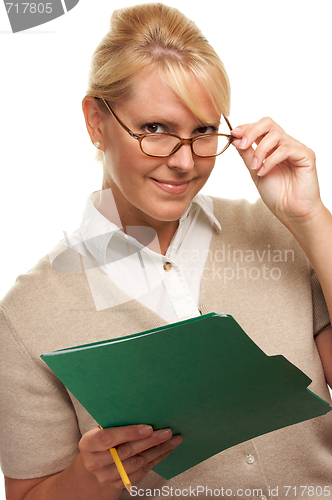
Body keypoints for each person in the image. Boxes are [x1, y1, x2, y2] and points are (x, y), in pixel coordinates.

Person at [1, 3, 332, 499]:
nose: (183, 161)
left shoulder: (278, 233)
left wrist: (311, 220)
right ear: (95, 120)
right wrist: (88, 478)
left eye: (202, 132)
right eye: (155, 129)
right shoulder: (28, 313)